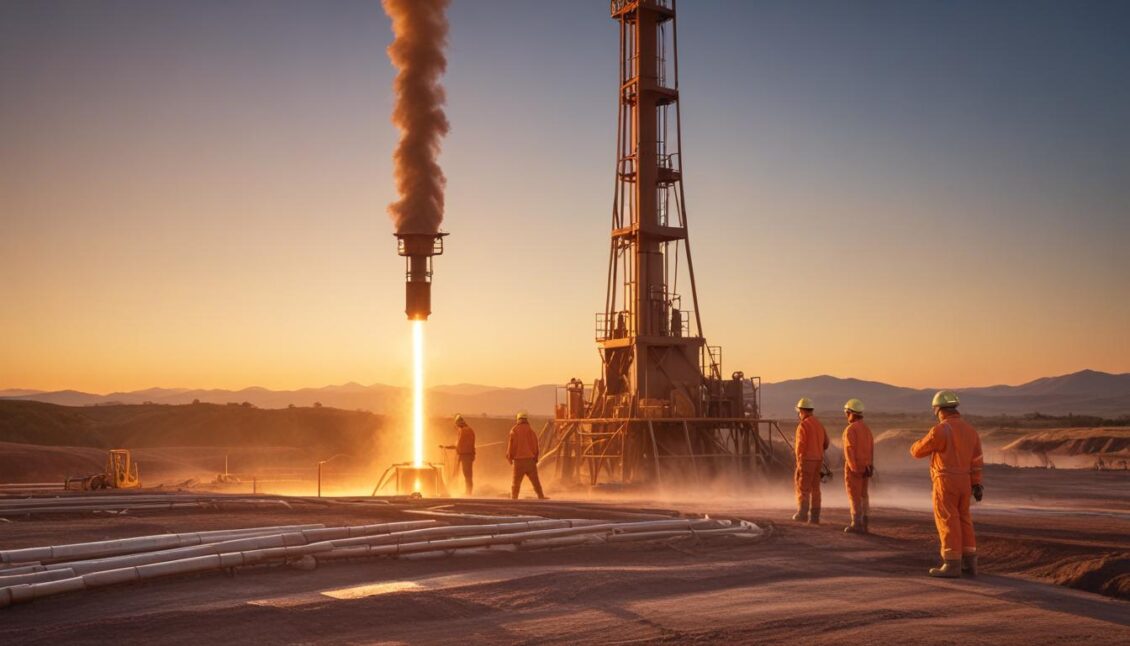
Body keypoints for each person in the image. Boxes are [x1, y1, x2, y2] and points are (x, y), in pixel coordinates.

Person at [910, 390, 984, 578]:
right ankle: (970, 563)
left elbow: (918, 451)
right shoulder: (971, 431)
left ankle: (951, 563)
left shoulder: (941, 430)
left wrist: (914, 445)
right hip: (965, 481)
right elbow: (976, 461)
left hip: (946, 482)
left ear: (938, 409)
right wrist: (976, 484)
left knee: (948, 519)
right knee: (964, 518)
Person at [793, 397, 829, 524]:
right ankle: (815, 516)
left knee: (803, 488)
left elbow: (800, 446)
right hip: (818, 460)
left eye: (799, 411)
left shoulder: (803, 425)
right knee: (816, 489)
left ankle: (802, 514)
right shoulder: (819, 424)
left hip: (806, 460)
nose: (799, 414)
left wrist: (799, 462)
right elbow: (826, 443)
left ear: (802, 410)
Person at [841, 398, 874, 534]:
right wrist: (870, 466)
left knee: (854, 496)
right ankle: (865, 523)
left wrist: (853, 468)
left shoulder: (850, 430)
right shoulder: (867, 429)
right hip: (866, 468)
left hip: (855, 469)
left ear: (850, 413)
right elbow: (871, 449)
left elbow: (849, 450)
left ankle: (857, 524)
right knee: (863, 495)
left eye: (846, 412)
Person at [507, 411, 546, 500]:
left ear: (518, 419)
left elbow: (511, 446)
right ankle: (541, 496)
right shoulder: (531, 431)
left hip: (518, 462)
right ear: (526, 420)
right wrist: (535, 458)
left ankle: (514, 499)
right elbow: (535, 446)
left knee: (516, 483)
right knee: (536, 482)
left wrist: (510, 458)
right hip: (530, 461)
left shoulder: (514, 430)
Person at [449, 414, 475, 496]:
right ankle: (469, 491)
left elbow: (459, 444)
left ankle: (468, 492)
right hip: (470, 455)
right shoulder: (471, 430)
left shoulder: (462, 431)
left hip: (464, 455)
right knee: (469, 475)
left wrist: (451, 448)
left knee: (466, 474)